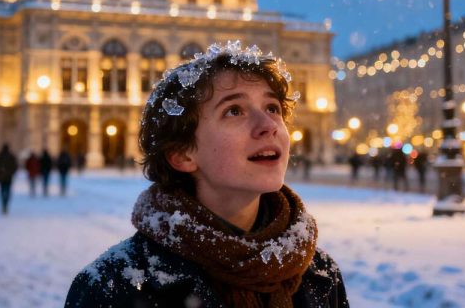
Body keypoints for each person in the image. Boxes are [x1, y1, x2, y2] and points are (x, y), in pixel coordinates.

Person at [66, 41, 348, 307]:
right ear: (182, 155)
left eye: (272, 108)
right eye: (234, 110)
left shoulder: (320, 276)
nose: (268, 125)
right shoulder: (113, 288)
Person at [0, 144, 17, 214]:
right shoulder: (11, 157)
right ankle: (5, 203)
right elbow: (15, 167)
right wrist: (11, 173)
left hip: (2, 177)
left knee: (3, 191)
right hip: (8, 178)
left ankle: (4, 203)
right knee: (7, 191)